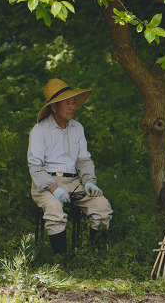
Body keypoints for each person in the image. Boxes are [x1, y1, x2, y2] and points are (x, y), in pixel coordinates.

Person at [28, 78, 113, 254]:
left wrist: (89, 181)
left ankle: (96, 258)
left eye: (73, 103)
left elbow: (83, 160)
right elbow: (35, 167)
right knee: (54, 210)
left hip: (74, 182)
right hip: (46, 182)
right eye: (67, 103)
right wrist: (53, 188)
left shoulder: (77, 128)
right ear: (54, 107)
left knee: (102, 207)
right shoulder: (39, 131)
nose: (73, 107)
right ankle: (61, 263)